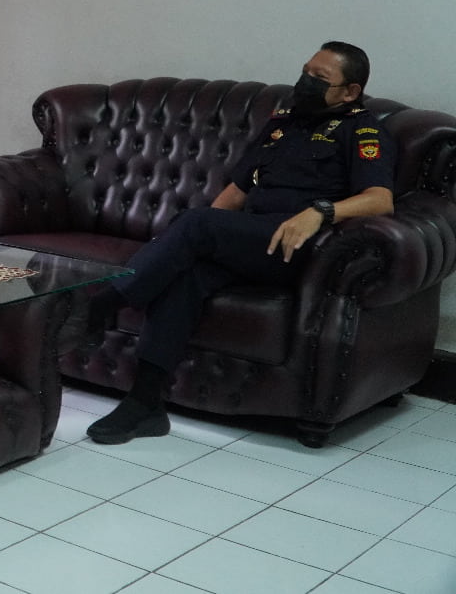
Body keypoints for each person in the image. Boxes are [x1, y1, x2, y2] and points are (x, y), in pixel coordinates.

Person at [84, 41, 396, 445]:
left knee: (195, 223)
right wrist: (198, 240)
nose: (306, 82)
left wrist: (321, 211)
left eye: (320, 78)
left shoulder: (363, 130)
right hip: (252, 239)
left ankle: (102, 304)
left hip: (295, 249)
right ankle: (144, 405)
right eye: (305, 71)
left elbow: (380, 200)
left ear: (350, 91)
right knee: (185, 275)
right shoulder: (283, 123)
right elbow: (236, 192)